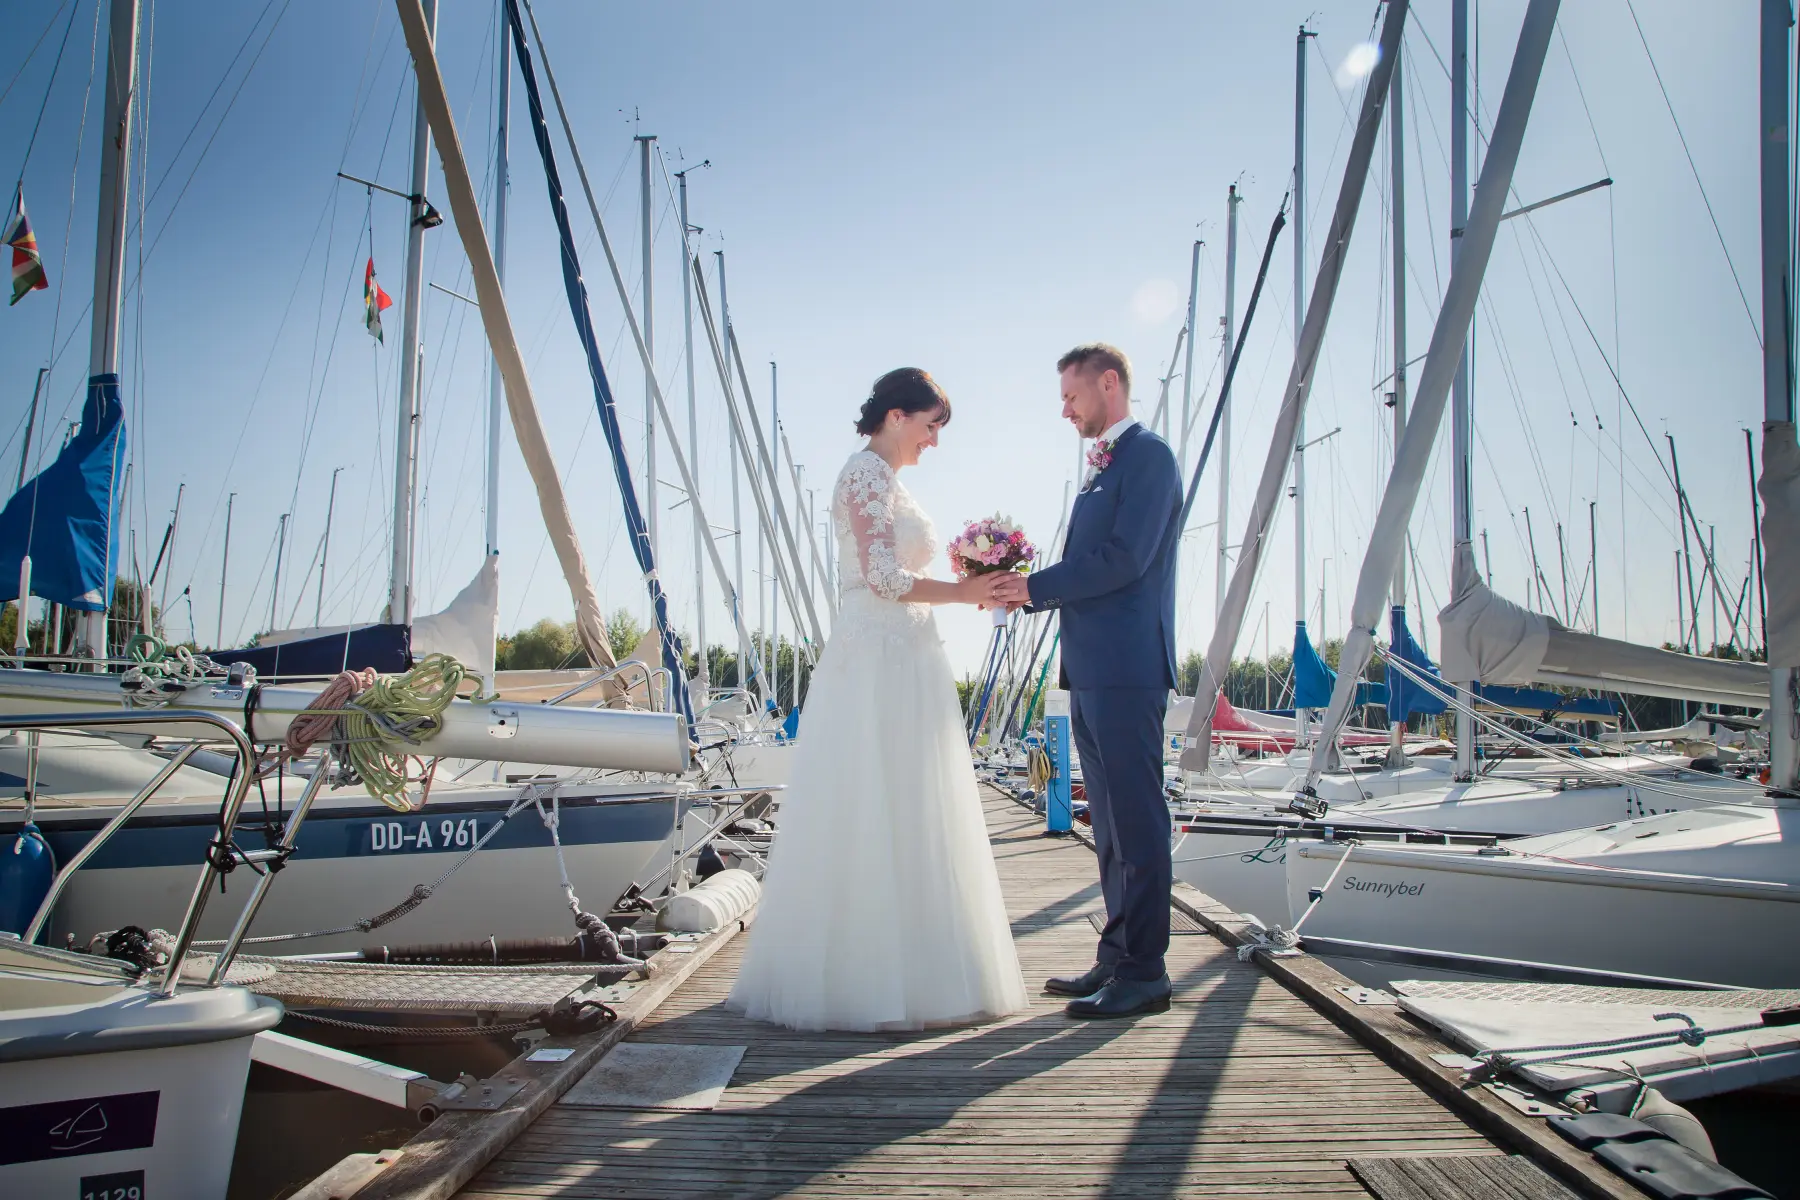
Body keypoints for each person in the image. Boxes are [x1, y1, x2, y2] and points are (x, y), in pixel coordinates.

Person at [727, 367, 1030, 1032]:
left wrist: (972, 581)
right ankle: (861, 980)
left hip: (908, 657)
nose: (934, 441)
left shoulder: (892, 484)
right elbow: (883, 577)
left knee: (915, 805)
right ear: (897, 415)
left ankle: (919, 973)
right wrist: (963, 593)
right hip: (873, 658)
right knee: (871, 803)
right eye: (931, 426)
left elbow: (906, 573)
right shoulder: (863, 473)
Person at [991, 343, 1182, 1019]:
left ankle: (1147, 971)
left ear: (1109, 384)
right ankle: (1116, 956)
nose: (1065, 410)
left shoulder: (1149, 458)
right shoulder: (1102, 469)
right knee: (1106, 825)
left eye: (1072, 396)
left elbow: (1125, 559)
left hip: (1130, 668)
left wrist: (1031, 587)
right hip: (1094, 670)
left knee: (1137, 818)